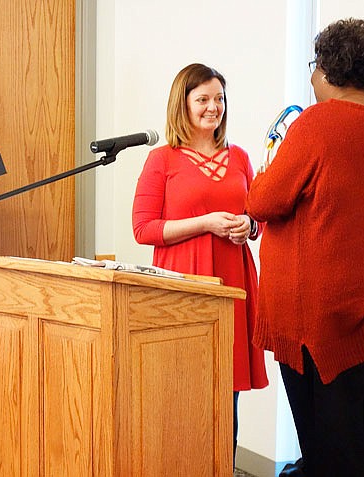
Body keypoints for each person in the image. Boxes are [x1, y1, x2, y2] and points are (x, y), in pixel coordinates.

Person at [246, 18, 364, 477]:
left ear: (330, 69)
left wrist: (267, 169)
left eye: (313, 66)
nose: (310, 77)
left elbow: (263, 200)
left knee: (330, 454)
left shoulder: (317, 125)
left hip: (323, 320)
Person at [132, 63, 269, 461]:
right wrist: (205, 223)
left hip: (232, 283)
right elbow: (143, 229)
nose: (214, 107)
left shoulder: (240, 157)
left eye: (219, 99)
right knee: (182, 389)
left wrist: (249, 225)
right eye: (203, 99)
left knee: (226, 392)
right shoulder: (163, 159)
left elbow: (257, 215)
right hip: (183, 285)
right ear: (183, 104)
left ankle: (222, 466)